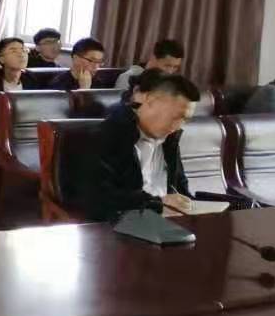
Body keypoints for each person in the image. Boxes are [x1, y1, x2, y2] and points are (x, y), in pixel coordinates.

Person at [79, 74, 201, 222]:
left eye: (185, 119)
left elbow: (180, 189)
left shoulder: (170, 139)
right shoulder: (108, 135)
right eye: (175, 117)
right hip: (125, 224)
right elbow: (100, 199)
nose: (178, 126)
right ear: (150, 100)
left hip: (169, 221)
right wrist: (158, 203)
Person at [114, 39, 185, 92]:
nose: (170, 72)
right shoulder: (127, 78)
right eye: (167, 66)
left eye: (175, 67)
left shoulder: (173, 83)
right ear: (153, 58)